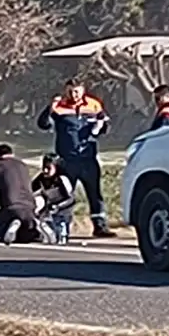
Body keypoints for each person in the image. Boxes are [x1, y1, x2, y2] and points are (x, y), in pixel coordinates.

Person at [36, 78, 116, 238]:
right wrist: (50, 108)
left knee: (94, 194)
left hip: (88, 158)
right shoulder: (59, 107)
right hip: (67, 159)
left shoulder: (93, 105)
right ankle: (59, 226)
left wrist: (101, 126)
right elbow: (43, 124)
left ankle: (100, 226)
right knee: (63, 194)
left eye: (77, 91)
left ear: (83, 90)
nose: (74, 95)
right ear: (66, 91)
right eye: (70, 91)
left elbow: (105, 126)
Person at [0, 143, 55, 244]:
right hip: (31, 209)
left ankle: (13, 223)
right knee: (27, 235)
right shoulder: (23, 166)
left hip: (11, 208)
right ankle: (36, 224)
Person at [32, 153, 75, 244]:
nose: (45, 170)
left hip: (62, 213)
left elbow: (71, 199)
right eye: (44, 167)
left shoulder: (62, 179)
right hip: (47, 211)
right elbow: (30, 191)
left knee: (60, 238)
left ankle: (61, 235)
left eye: (48, 168)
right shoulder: (40, 178)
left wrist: (58, 206)